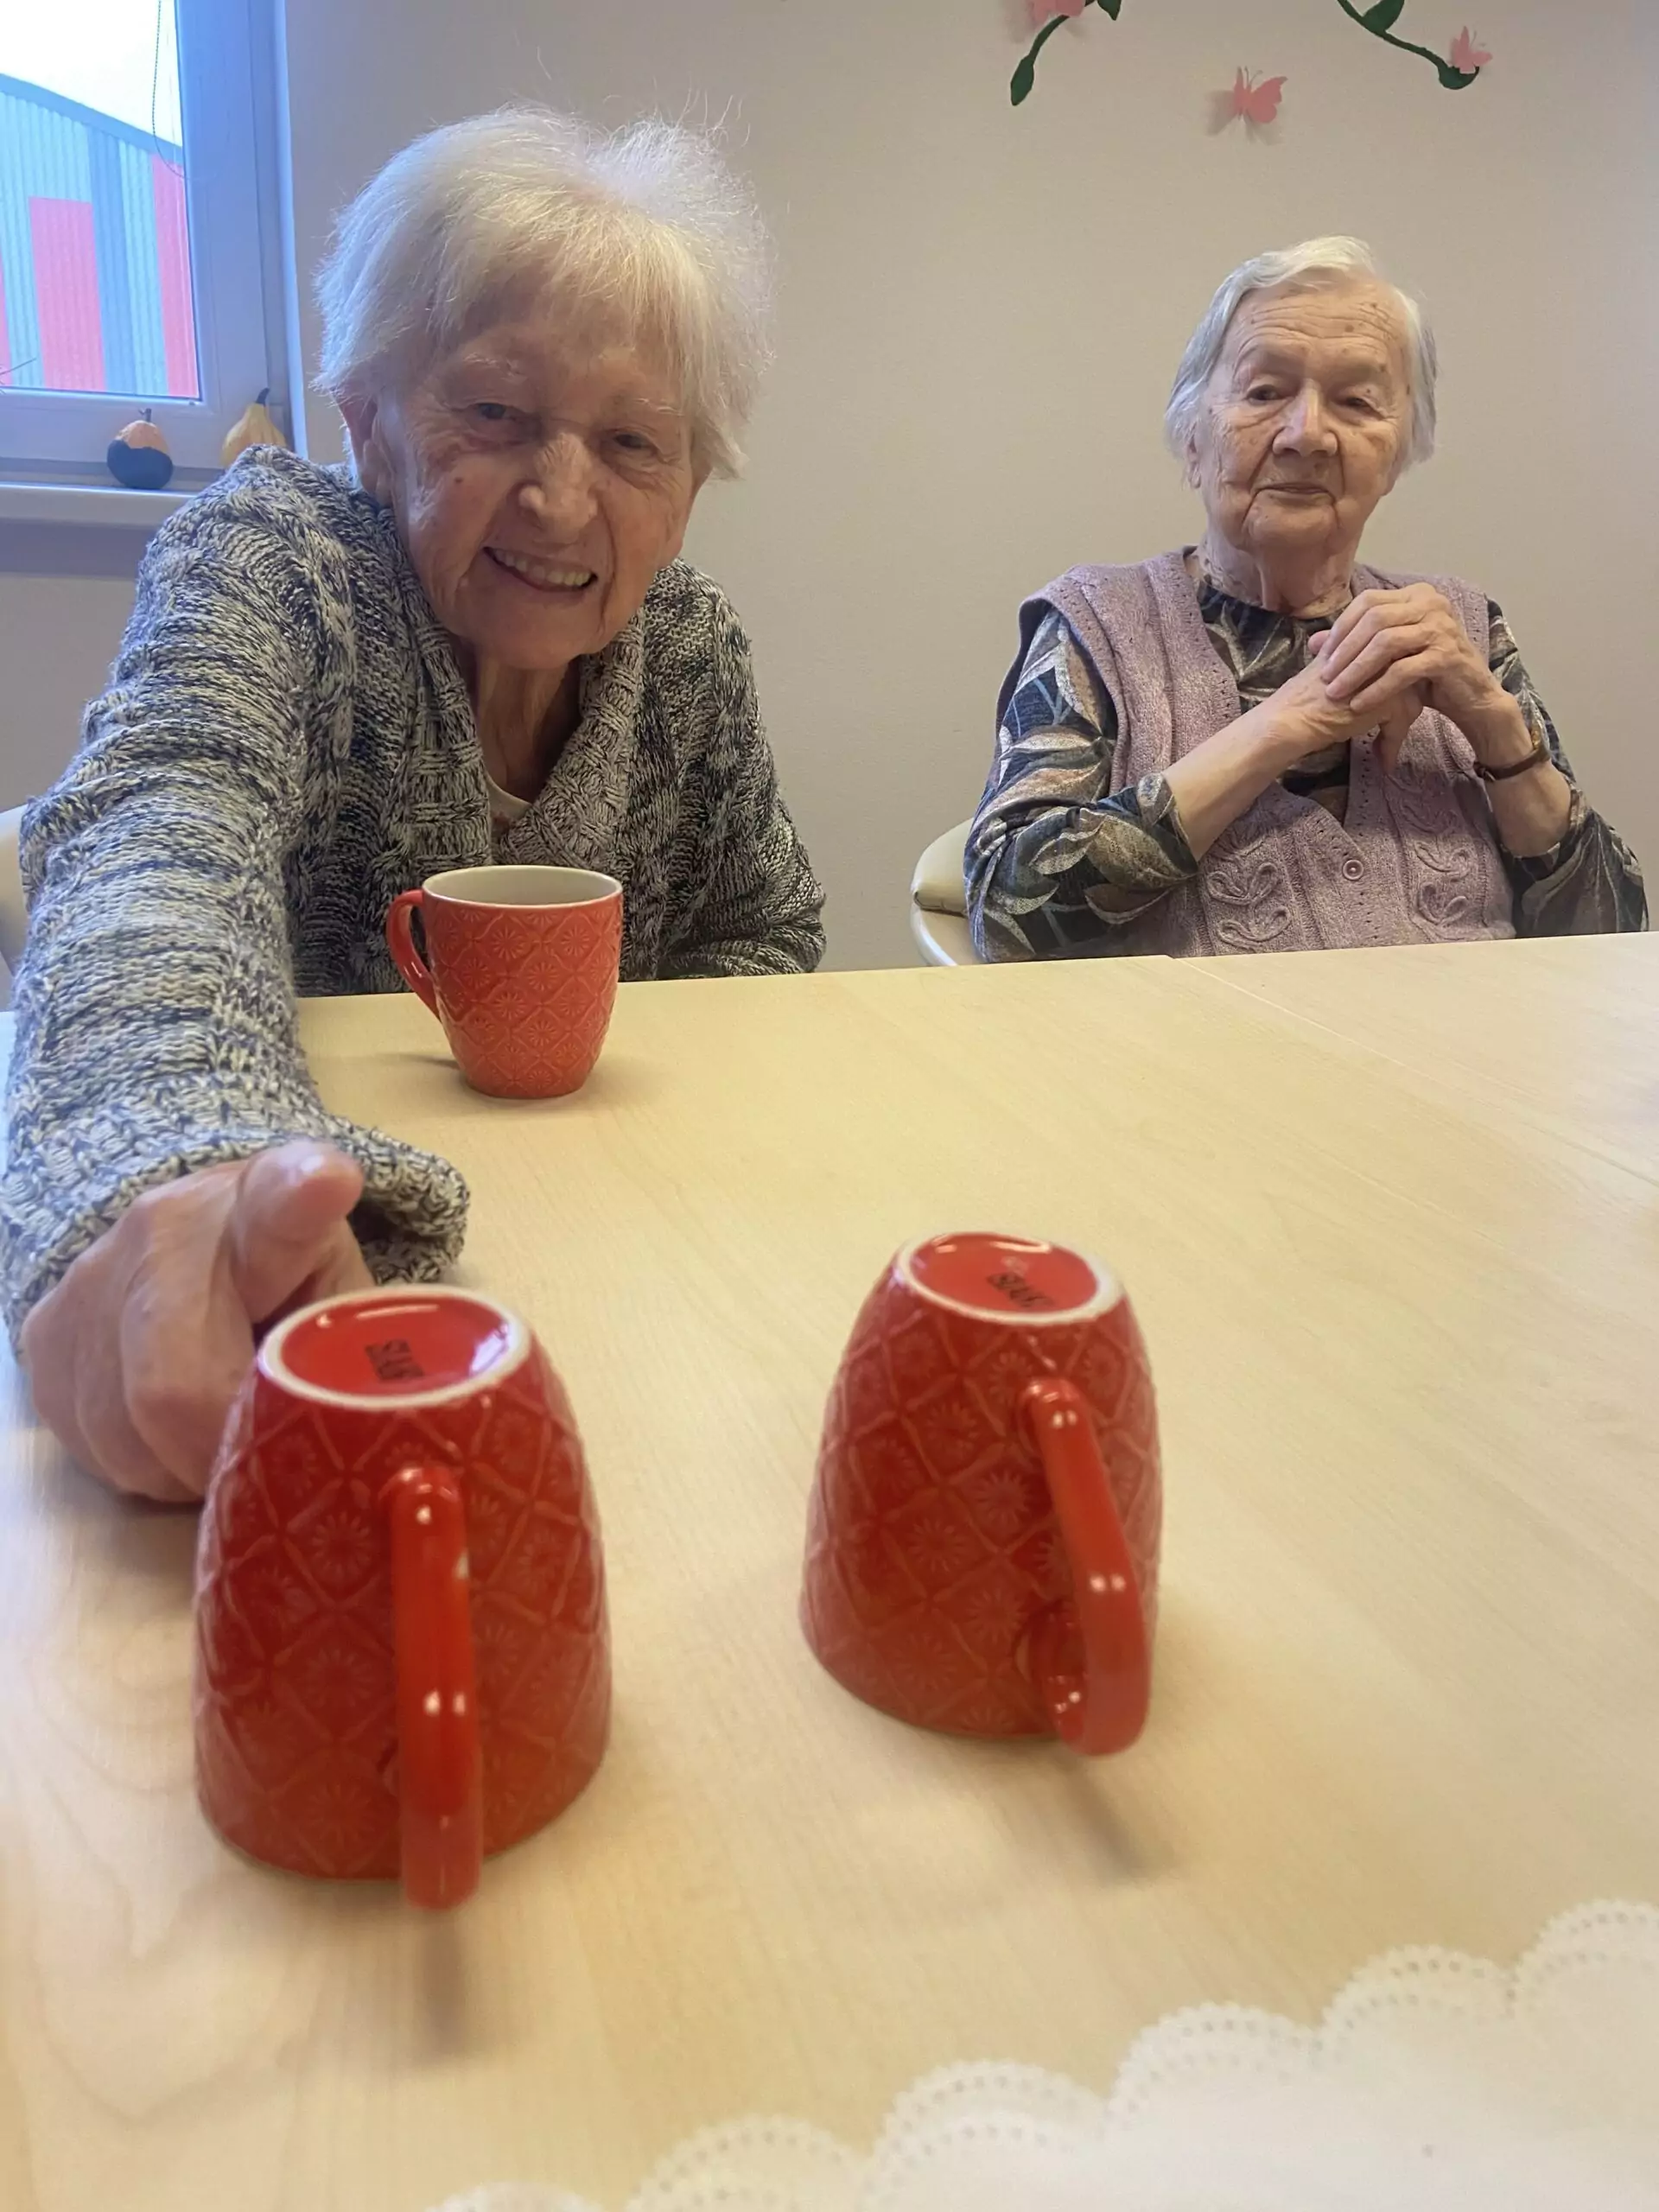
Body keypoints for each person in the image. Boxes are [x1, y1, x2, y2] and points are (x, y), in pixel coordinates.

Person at [3, 109, 823, 1503]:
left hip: (633, 1295)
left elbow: (768, 938)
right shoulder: (275, 564)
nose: (560, 499)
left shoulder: (689, 650)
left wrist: (626, 1158)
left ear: (691, 489)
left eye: (634, 442)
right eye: (495, 414)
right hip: (337, 1299)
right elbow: (160, 836)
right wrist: (187, 1163)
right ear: (369, 421)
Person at [967, 236, 1644, 962]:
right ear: (1192, 438)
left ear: (1397, 457)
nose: (1307, 434)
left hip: (1472, 1036)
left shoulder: (1463, 630)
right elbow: (1007, 918)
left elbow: (1609, 938)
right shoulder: (1099, 624)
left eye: (1356, 402)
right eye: (1264, 392)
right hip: (1206, 1039)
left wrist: (1497, 729)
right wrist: (1285, 725)